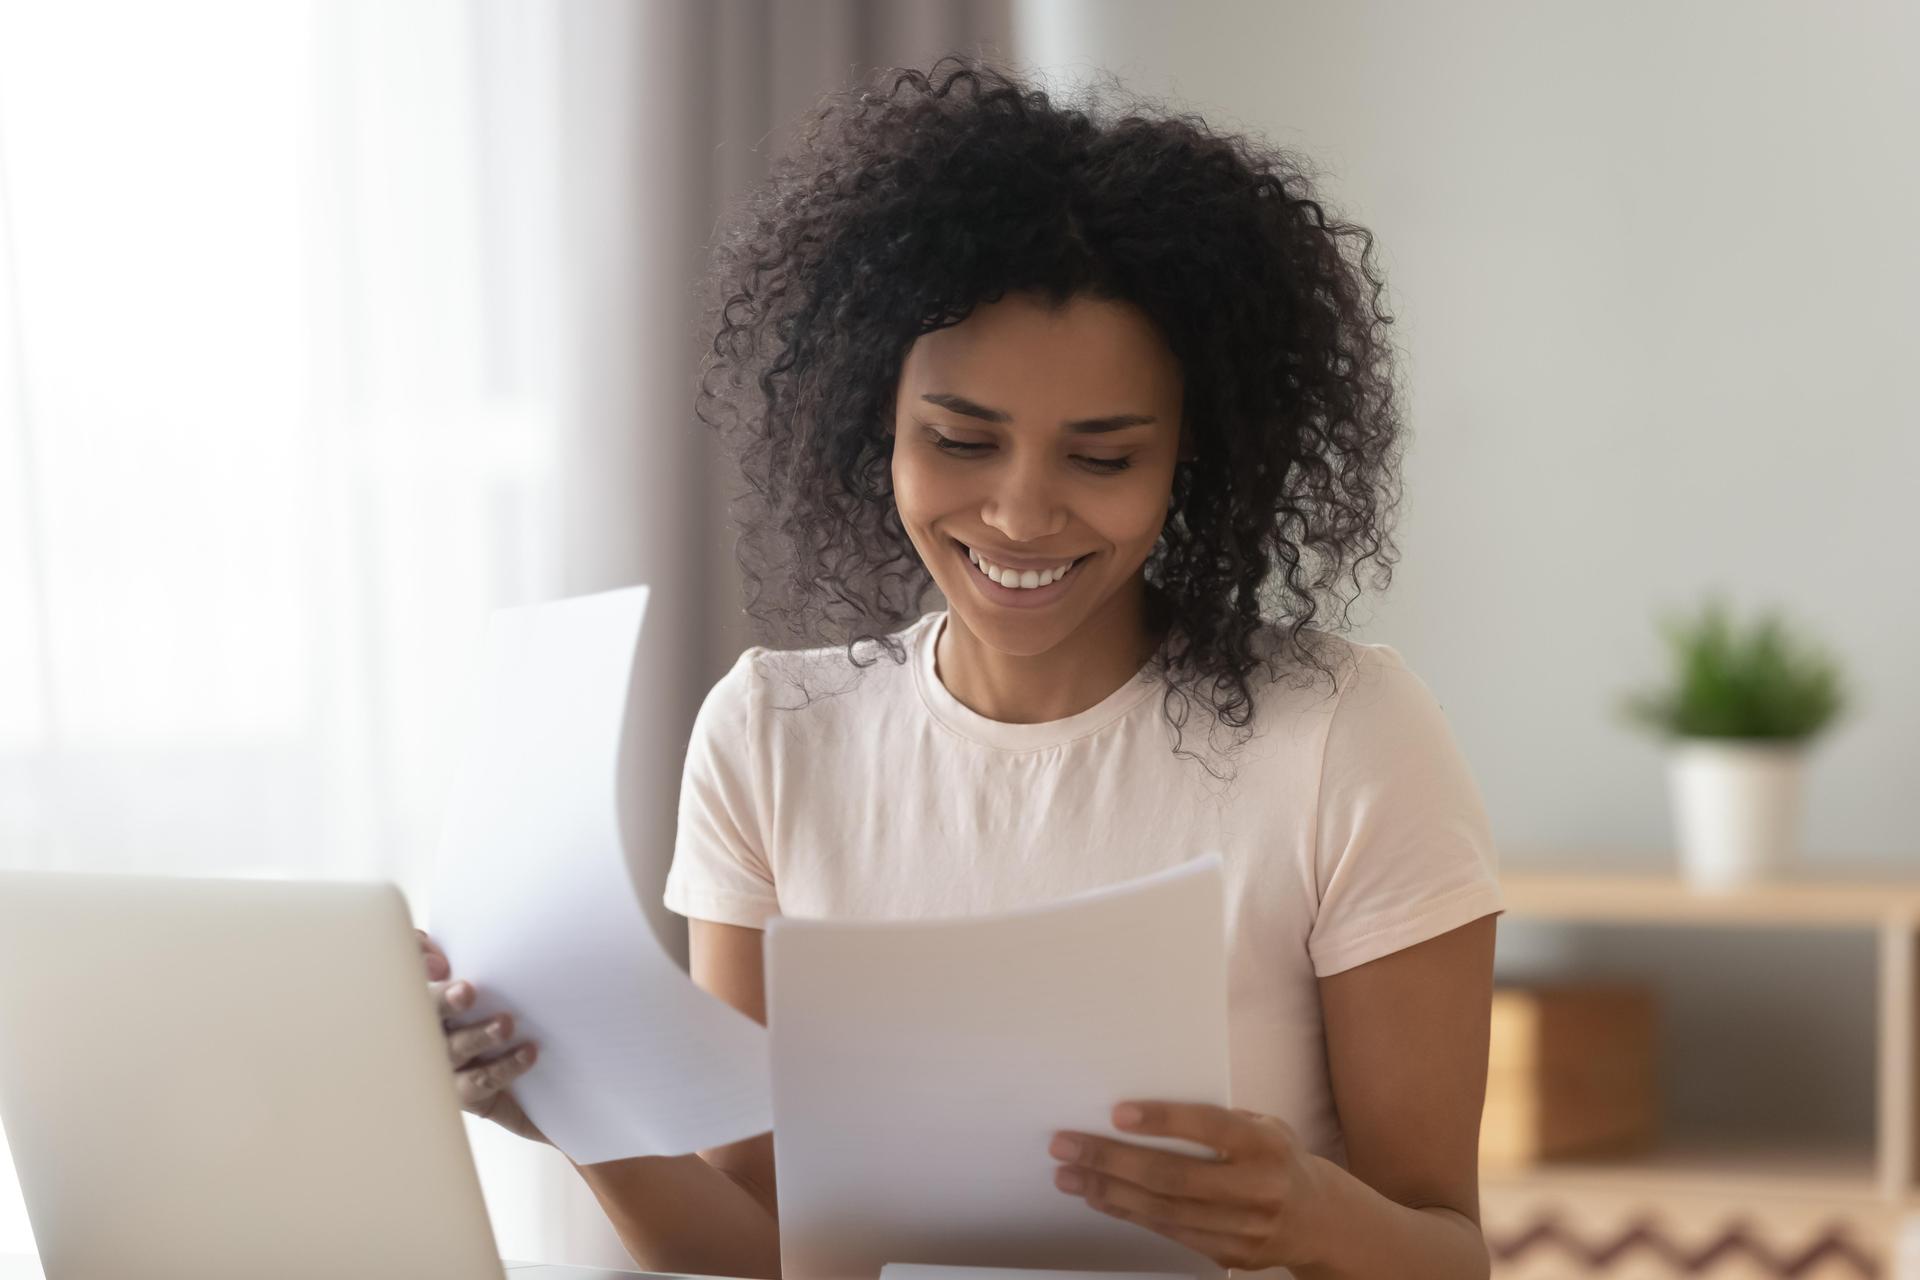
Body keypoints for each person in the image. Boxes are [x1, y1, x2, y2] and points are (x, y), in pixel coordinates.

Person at [420, 53, 1505, 1280]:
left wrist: (1303, 1214)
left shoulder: (1342, 739)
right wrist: (573, 1104)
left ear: (1191, 459)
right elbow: (757, 1249)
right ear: (872, 417)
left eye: (1102, 458)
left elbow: (1449, 1250)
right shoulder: (773, 734)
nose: (1022, 513)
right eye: (959, 440)